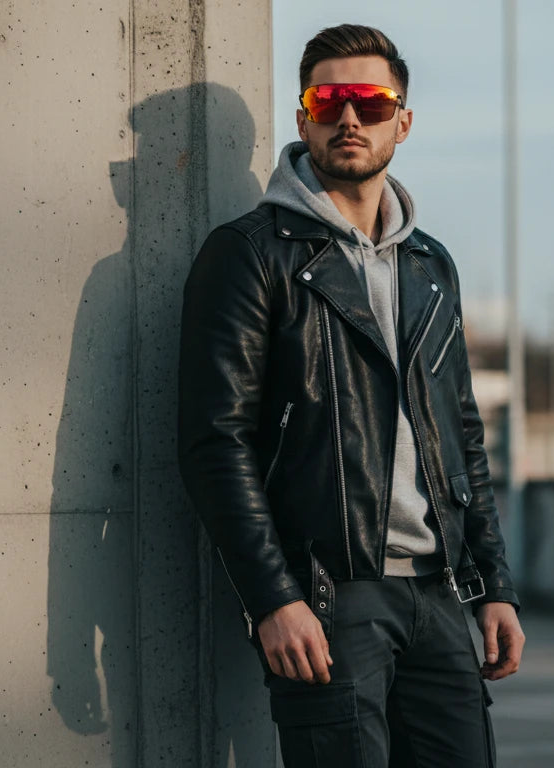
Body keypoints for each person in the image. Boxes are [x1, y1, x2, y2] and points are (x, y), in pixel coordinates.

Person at [177, 23, 524, 767]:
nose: (349, 119)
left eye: (370, 101)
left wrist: (493, 583)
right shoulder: (250, 254)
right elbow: (216, 440)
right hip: (332, 599)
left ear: (402, 120)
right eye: (329, 100)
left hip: (437, 596)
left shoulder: (431, 266)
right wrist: (272, 596)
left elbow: (460, 433)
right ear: (303, 118)